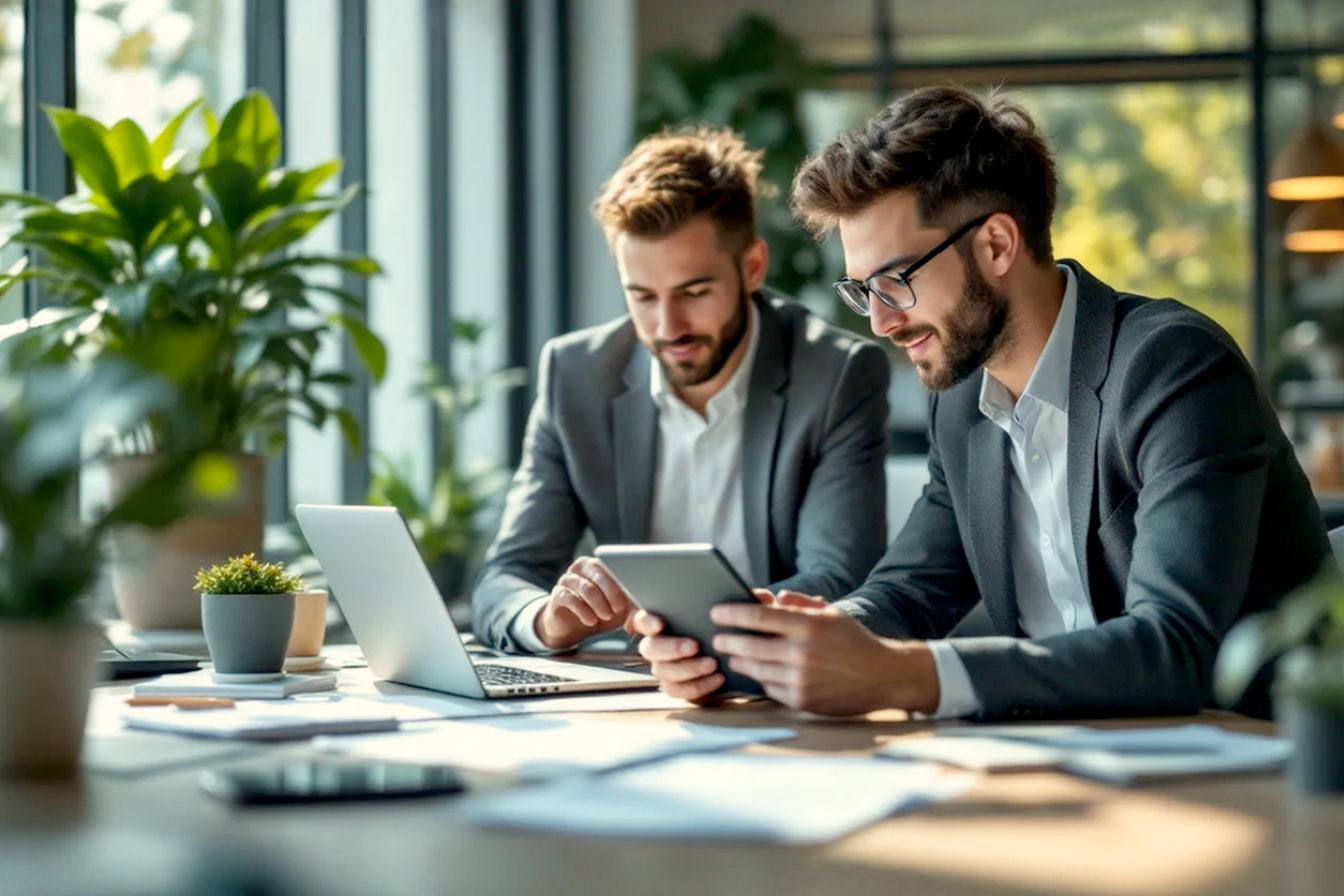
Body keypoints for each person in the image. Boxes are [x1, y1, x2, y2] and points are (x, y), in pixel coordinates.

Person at [634, 86, 1328, 720]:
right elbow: (908, 595)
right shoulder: (963, 401)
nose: (879, 322)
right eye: (860, 292)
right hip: (1068, 765)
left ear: (996, 244)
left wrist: (909, 677)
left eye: (893, 282)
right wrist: (769, 641)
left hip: (1258, 759)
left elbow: (1174, 646)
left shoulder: (1171, 368)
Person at [471, 126, 891, 654]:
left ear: (752, 267)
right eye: (642, 296)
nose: (668, 326)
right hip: (630, 695)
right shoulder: (575, 376)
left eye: (694, 292)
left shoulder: (835, 375)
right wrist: (548, 620)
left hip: (770, 687)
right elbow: (504, 577)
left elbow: (836, 583)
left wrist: (686, 637)